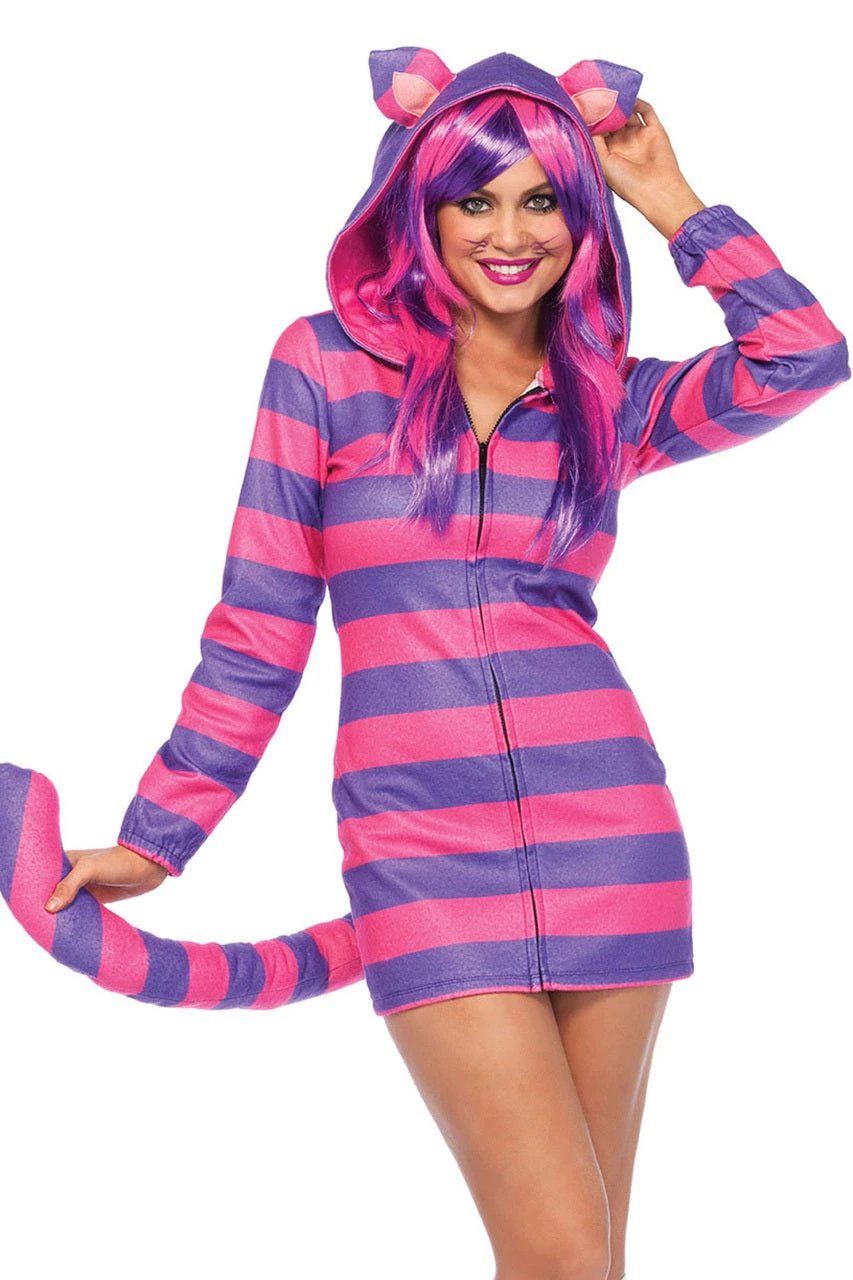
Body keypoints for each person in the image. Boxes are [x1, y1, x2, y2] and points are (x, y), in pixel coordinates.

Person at [32, 48, 850, 1280]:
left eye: (543, 200)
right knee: (560, 1247)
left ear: (581, 215)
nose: (509, 235)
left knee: (588, 1261)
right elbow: (259, 623)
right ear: (419, 206)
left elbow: (803, 355)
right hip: (419, 845)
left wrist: (666, 195)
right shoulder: (324, 368)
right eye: (475, 200)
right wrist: (159, 836)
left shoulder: (607, 398)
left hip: (612, 836)